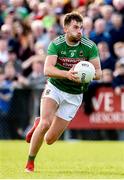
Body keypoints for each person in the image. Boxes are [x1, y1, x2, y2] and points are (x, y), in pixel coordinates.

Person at [25, 11, 102, 172]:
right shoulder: (56, 44)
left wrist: (86, 75)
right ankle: (30, 163)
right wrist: (67, 74)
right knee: (45, 123)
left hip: (74, 95)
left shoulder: (89, 46)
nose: (79, 30)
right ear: (66, 28)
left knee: (50, 139)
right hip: (55, 88)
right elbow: (47, 70)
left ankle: (38, 124)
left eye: (81, 27)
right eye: (75, 27)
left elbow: (99, 73)